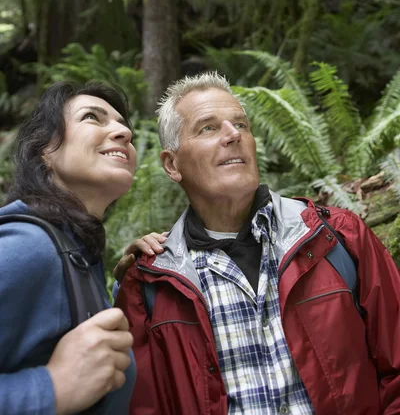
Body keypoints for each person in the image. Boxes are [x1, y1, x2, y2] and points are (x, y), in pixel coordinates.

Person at [115, 72, 400, 415]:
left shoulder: (337, 238)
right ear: (172, 165)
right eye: (208, 127)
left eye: (241, 125)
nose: (233, 135)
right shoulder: (150, 284)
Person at [0, 81, 137, 415]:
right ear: (46, 150)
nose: (123, 132)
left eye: (123, 124)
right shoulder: (29, 249)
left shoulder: (72, 253)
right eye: (93, 117)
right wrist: (51, 387)